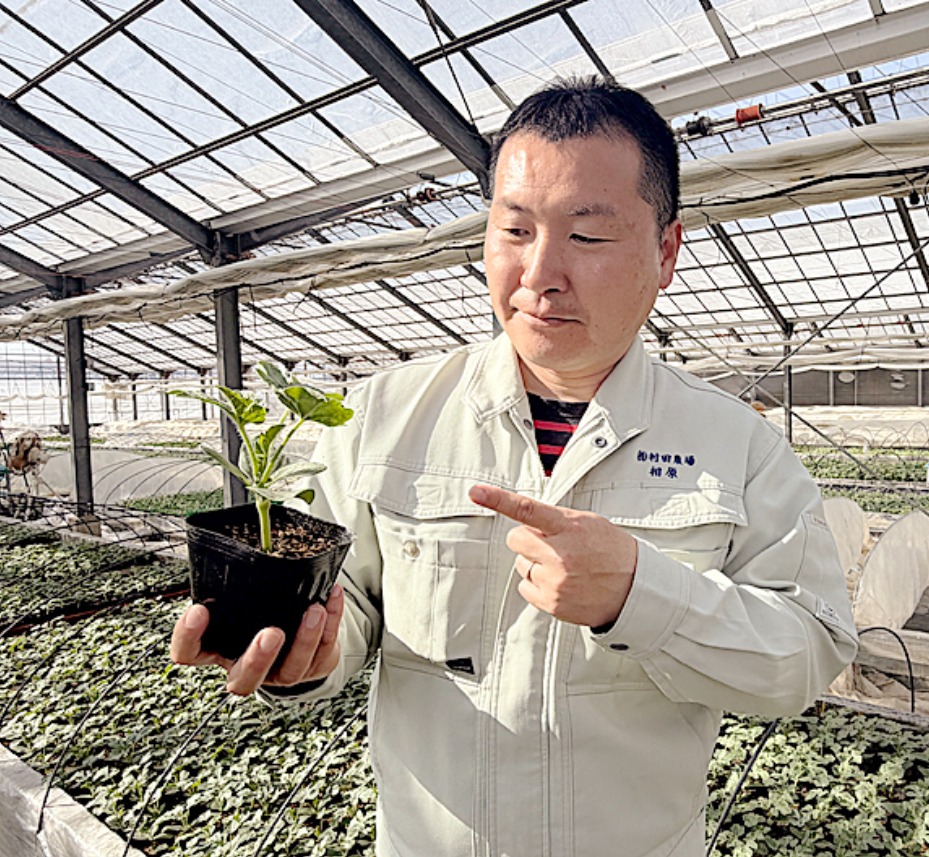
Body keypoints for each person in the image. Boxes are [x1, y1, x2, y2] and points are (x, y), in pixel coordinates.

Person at [171, 76, 858, 857]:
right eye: (515, 229)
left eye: (587, 236)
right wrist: (308, 651)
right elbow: (347, 600)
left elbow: (807, 652)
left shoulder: (737, 444)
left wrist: (643, 593)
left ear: (665, 251)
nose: (539, 273)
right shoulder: (385, 417)